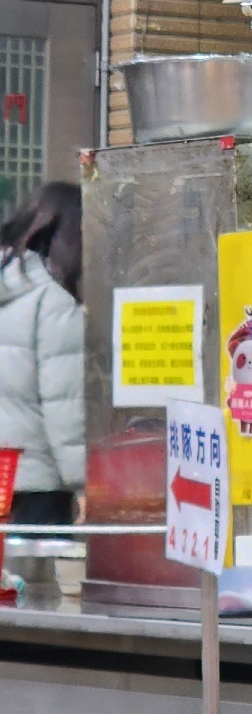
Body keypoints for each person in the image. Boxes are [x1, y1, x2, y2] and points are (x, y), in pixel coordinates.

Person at [0, 182, 85, 525]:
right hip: (36, 484)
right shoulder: (53, 303)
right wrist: (83, 483)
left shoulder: (9, 286)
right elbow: (63, 404)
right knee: (37, 578)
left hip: (7, 475)